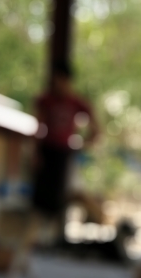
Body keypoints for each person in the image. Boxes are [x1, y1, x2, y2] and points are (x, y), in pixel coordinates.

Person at [32, 61, 99, 226]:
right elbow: (37, 127)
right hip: (46, 151)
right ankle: (38, 231)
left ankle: (53, 231)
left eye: (59, 80)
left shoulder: (77, 103)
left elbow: (96, 130)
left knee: (59, 197)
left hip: (63, 153)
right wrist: (35, 153)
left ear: (67, 80)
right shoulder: (46, 100)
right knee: (40, 199)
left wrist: (83, 145)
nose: (57, 85)